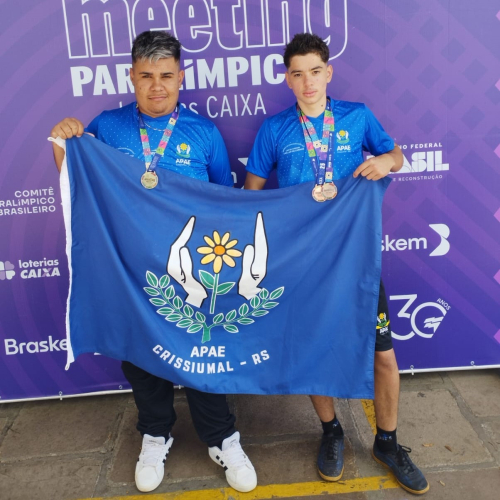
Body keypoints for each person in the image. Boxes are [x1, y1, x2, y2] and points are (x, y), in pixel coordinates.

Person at [50, 30, 257, 494]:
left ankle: (222, 438)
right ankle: (155, 434)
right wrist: (62, 142)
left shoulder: (203, 133)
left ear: (181, 77)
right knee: (142, 357)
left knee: (202, 355)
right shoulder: (107, 126)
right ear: (132, 77)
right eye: (146, 76)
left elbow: (226, 203)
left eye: (166, 75)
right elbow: (75, 180)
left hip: (194, 273)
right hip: (131, 270)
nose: (157, 86)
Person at [244, 33, 429, 496]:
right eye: (298, 74)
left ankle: (387, 443)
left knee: (382, 354)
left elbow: (397, 155)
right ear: (287, 79)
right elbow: (250, 197)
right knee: (312, 350)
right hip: (302, 263)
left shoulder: (357, 116)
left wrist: (386, 160)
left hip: (354, 259)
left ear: (328, 72)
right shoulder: (274, 129)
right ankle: (331, 431)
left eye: (315, 71)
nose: (308, 82)